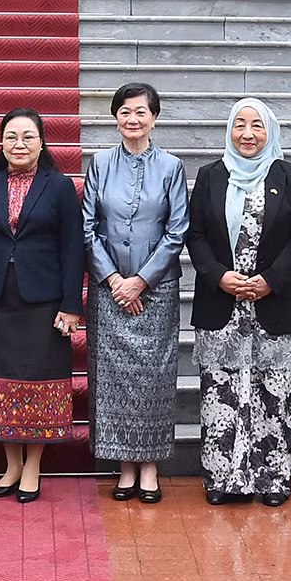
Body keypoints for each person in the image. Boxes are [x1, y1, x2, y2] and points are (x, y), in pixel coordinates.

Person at [187, 98, 291, 506]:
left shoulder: (290, 176)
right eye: (239, 125)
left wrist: (270, 281)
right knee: (221, 395)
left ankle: (272, 480)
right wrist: (219, 277)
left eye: (257, 125)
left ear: (270, 131)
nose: (247, 133)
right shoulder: (211, 175)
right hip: (222, 303)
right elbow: (196, 236)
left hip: (271, 303)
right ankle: (222, 480)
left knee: (273, 395)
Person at [0, 109, 84, 503]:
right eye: (11, 137)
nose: (19, 145)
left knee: (38, 380)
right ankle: (12, 464)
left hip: (43, 302)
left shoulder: (60, 186)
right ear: (1, 142)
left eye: (28, 137)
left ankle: (34, 466)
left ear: (42, 142)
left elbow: (72, 249)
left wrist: (71, 305)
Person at [83, 82, 187, 502]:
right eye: (124, 111)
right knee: (113, 380)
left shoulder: (172, 166)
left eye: (140, 112)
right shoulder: (100, 163)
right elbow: (87, 227)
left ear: (154, 117)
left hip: (156, 290)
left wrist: (141, 280)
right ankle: (123, 466)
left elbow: (177, 230)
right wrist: (113, 280)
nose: (132, 119)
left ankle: (149, 467)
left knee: (153, 379)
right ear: (115, 117)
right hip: (109, 289)